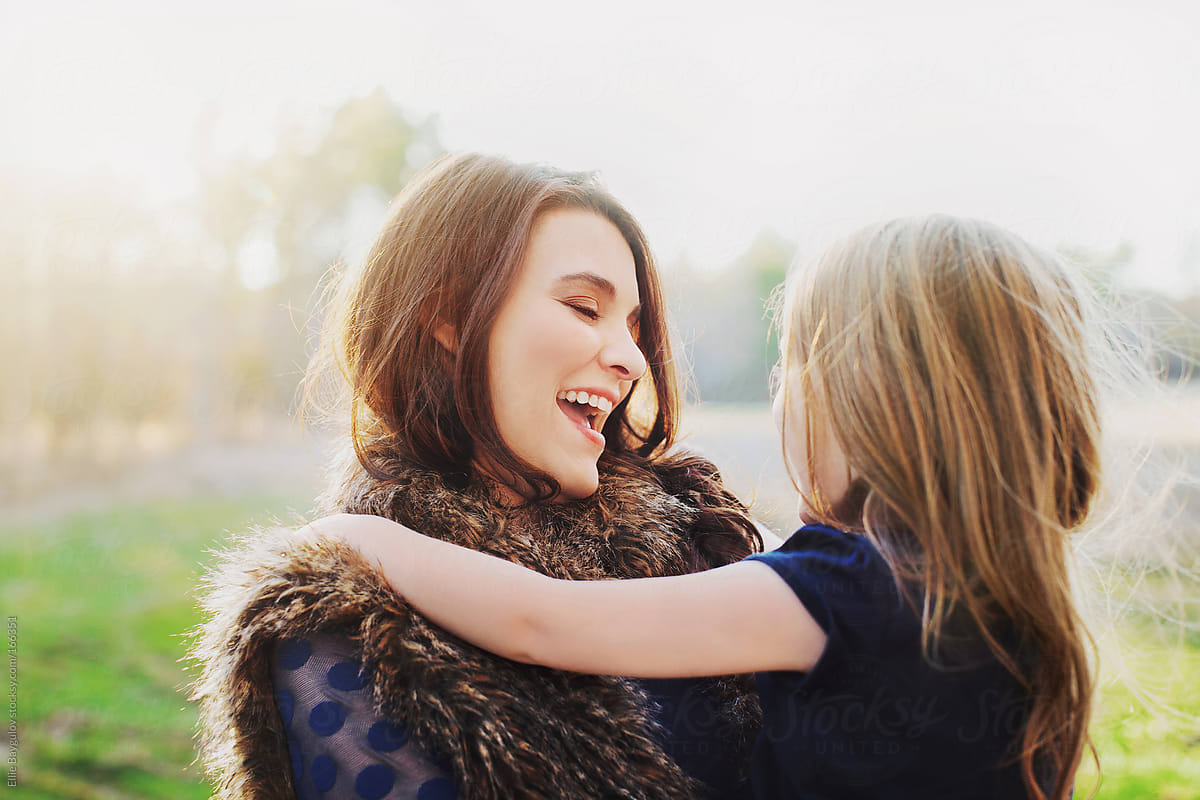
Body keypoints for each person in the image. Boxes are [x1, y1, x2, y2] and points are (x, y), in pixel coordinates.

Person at [306, 215, 1107, 800]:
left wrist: (356, 537)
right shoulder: (1016, 607)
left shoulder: (839, 590)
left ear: (866, 397)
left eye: (794, 369)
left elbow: (543, 621)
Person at [186, 153, 771, 800]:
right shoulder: (340, 619)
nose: (632, 359)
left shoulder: (702, 536)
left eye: (635, 327)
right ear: (451, 319)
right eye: (584, 307)